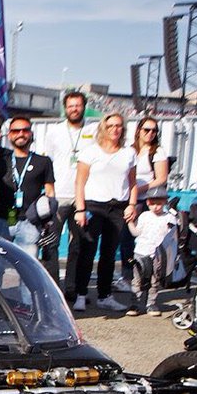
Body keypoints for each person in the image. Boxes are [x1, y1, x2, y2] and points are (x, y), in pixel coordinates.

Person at [73, 112, 137, 313]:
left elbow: (132, 182)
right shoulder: (90, 152)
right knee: (87, 251)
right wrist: (80, 209)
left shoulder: (129, 153)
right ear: (103, 128)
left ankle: (104, 295)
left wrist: (132, 204)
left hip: (117, 207)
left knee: (109, 254)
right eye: (110, 126)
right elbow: (80, 182)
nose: (115, 129)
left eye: (118, 126)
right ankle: (81, 295)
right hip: (93, 206)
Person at [39, 90, 97, 290]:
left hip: (83, 196)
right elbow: (48, 162)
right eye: (71, 105)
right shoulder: (54, 132)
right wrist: (49, 193)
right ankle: (53, 287)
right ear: (65, 108)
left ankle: (72, 287)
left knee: (78, 244)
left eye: (78, 105)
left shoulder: (95, 130)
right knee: (51, 242)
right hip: (58, 194)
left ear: (84, 107)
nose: (74, 109)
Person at [120, 116, 170, 285]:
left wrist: (137, 189)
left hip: (146, 201)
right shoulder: (130, 150)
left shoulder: (157, 152)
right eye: (146, 130)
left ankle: (150, 275)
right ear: (138, 131)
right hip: (129, 200)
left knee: (148, 241)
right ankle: (128, 275)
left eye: (154, 130)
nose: (150, 133)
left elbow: (161, 178)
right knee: (126, 239)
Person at [2, 117, 56, 256]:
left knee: (27, 269)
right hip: (2, 220)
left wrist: (47, 221)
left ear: (31, 133)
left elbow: (50, 192)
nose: (21, 134)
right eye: (16, 131)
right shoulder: (1, 159)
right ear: (9, 135)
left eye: (25, 130)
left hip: (30, 222)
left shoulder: (43, 161)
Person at [125, 185, 177, 316]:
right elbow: (136, 233)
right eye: (153, 203)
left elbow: (172, 237)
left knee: (155, 280)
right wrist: (130, 223)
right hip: (141, 252)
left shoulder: (169, 217)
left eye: (159, 203)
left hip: (159, 254)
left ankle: (151, 304)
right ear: (148, 203)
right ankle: (134, 304)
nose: (156, 207)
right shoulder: (144, 216)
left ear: (165, 202)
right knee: (137, 279)